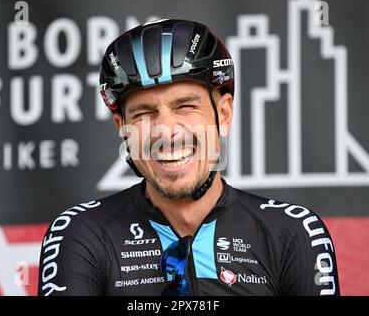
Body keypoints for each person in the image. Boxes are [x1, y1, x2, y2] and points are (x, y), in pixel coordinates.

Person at [38, 19, 340, 296]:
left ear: (223, 113)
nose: (167, 132)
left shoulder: (292, 233)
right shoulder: (82, 233)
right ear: (122, 127)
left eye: (185, 106)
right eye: (144, 113)